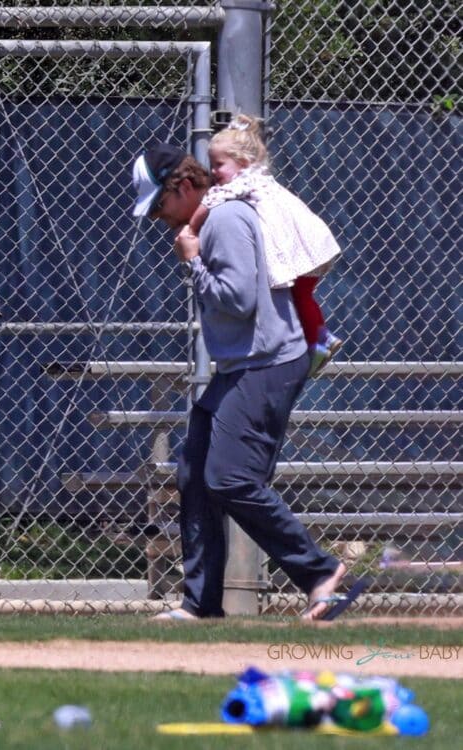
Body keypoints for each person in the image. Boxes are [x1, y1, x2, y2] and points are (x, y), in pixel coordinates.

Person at [131, 141, 356, 622]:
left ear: (186, 185)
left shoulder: (226, 221)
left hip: (268, 363)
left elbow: (237, 300)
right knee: (194, 473)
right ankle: (200, 604)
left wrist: (191, 261)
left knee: (230, 477)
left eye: (160, 205)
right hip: (242, 366)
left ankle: (320, 572)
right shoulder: (210, 220)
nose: (157, 219)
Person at [188, 114, 342, 376]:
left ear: (243, 162)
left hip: (296, 251)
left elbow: (214, 197)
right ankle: (318, 338)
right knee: (301, 295)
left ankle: (319, 340)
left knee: (299, 296)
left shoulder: (244, 181)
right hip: (303, 248)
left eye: (219, 164)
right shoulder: (257, 177)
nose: (213, 172)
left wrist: (191, 227)